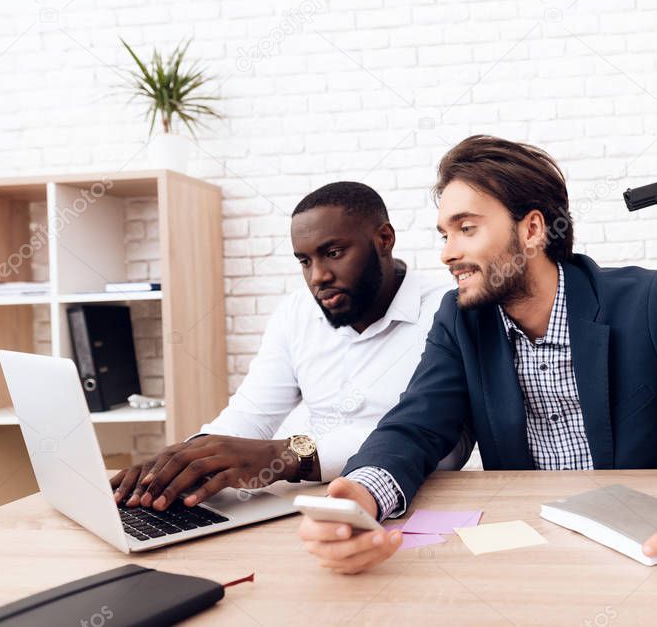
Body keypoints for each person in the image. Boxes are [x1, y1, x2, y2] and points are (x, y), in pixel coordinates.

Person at [298, 135, 657, 575]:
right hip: (534, 559)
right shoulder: (459, 321)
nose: (447, 252)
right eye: (444, 233)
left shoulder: (651, 302)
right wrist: (359, 497)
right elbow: (414, 428)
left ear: (530, 230)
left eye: (466, 228)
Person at [110, 181, 468, 511]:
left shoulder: (448, 311)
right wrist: (181, 462)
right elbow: (251, 413)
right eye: (304, 261)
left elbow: (443, 443)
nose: (318, 277)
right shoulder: (296, 313)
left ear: (384, 238)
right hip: (307, 505)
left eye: (334, 252)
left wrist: (288, 455)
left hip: (415, 502)